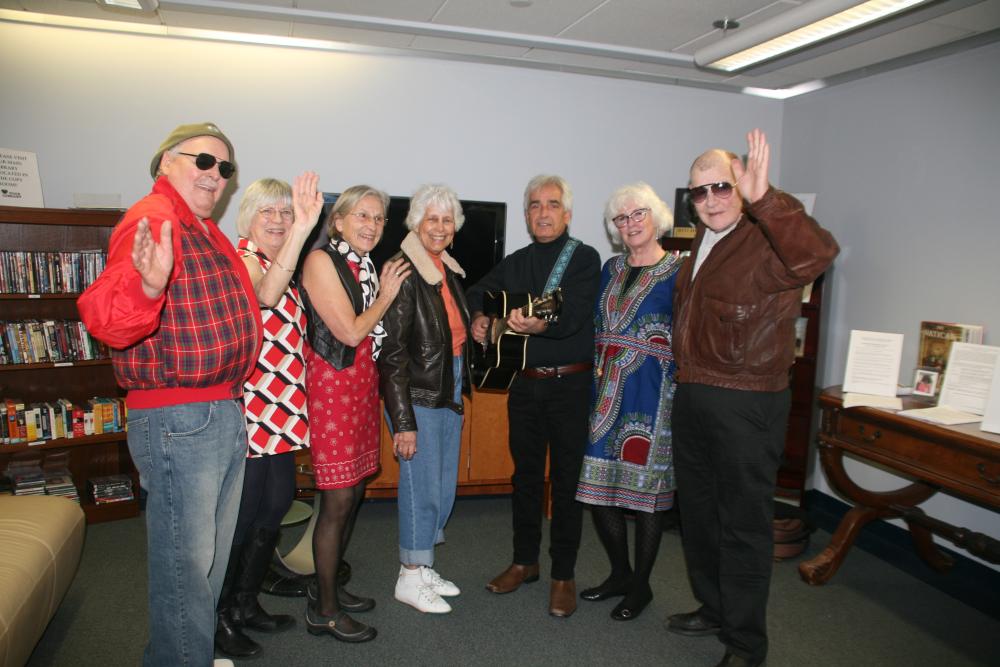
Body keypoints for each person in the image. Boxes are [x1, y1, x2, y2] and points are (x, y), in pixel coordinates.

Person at [78, 122, 261, 667]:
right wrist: (148, 285)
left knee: (204, 565)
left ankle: (181, 654)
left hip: (216, 410)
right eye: (202, 160)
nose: (215, 174)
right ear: (166, 162)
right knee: (185, 567)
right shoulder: (153, 217)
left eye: (224, 167)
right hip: (181, 417)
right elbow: (107, 318)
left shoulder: (201, 227)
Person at [668, 129, 839, 667]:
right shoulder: (701, 240)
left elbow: (819, 253)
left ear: (742, 187)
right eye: (699, 191)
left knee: (742, 527)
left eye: (722, 186)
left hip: (746, 403)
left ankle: (746, 645)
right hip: (694, 393)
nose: (711, 199)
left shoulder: (767, 237)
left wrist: (766, 198)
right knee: (699, 518)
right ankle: (715, 609)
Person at [468, 174, 601, 618]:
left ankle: (563, 574)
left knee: (566, 483)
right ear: (526, 216)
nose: (543, 213)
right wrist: (480, 318)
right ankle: (525, 562)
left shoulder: (584, 258)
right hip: (524, 386)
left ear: (567, 214)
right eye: (535, 205)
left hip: (570, 387)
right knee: (524, 478)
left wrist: (543, 325)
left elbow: (575, 315)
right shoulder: (517, 260)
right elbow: (476, 291)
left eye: (552, 204)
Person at [214, 174, 323, 658]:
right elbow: (263, 297)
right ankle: (219, 616)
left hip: (282, 408)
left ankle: (245, 603)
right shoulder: (243, 259)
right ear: (248, 218)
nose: (278, 220)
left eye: (286, 212)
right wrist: (301, 230)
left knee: (275, 505)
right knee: (241, 517)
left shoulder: (284, 265)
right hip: (250, 408)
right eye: (268, 211)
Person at [299, 184, 410, 642]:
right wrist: (386, 294)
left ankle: (326, 589)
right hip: (332, 388)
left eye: (379, 218)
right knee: (338, 500)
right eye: (362, 215)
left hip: (360, 386)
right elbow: (348, 332)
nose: (372, 225)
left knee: (356, 491)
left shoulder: (361, 264)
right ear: (339, 221)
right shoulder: (320, 261)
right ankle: (324, 610)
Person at [576, 182, 682, 622]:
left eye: (638, 214)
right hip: (605, 392)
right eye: (621, 218)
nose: (630, 223)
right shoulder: (611, 268)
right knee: (599, 491)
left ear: (656, 217)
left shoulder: (679, 271)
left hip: (653, 396)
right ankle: (620, 573)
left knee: (644, 497)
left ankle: (642, 586)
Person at [379, 183, 472, 614]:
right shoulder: (403, 271)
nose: (439, 227)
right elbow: (392, 354)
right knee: (421, 487)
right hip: (417, 393)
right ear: (416, 223)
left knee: (442, 485)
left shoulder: (445, 269)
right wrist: (403, 421)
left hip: (448, 387)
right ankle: (410, 574)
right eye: (431, 218)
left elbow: (452, 335)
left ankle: (424, 563)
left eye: (447, 219)